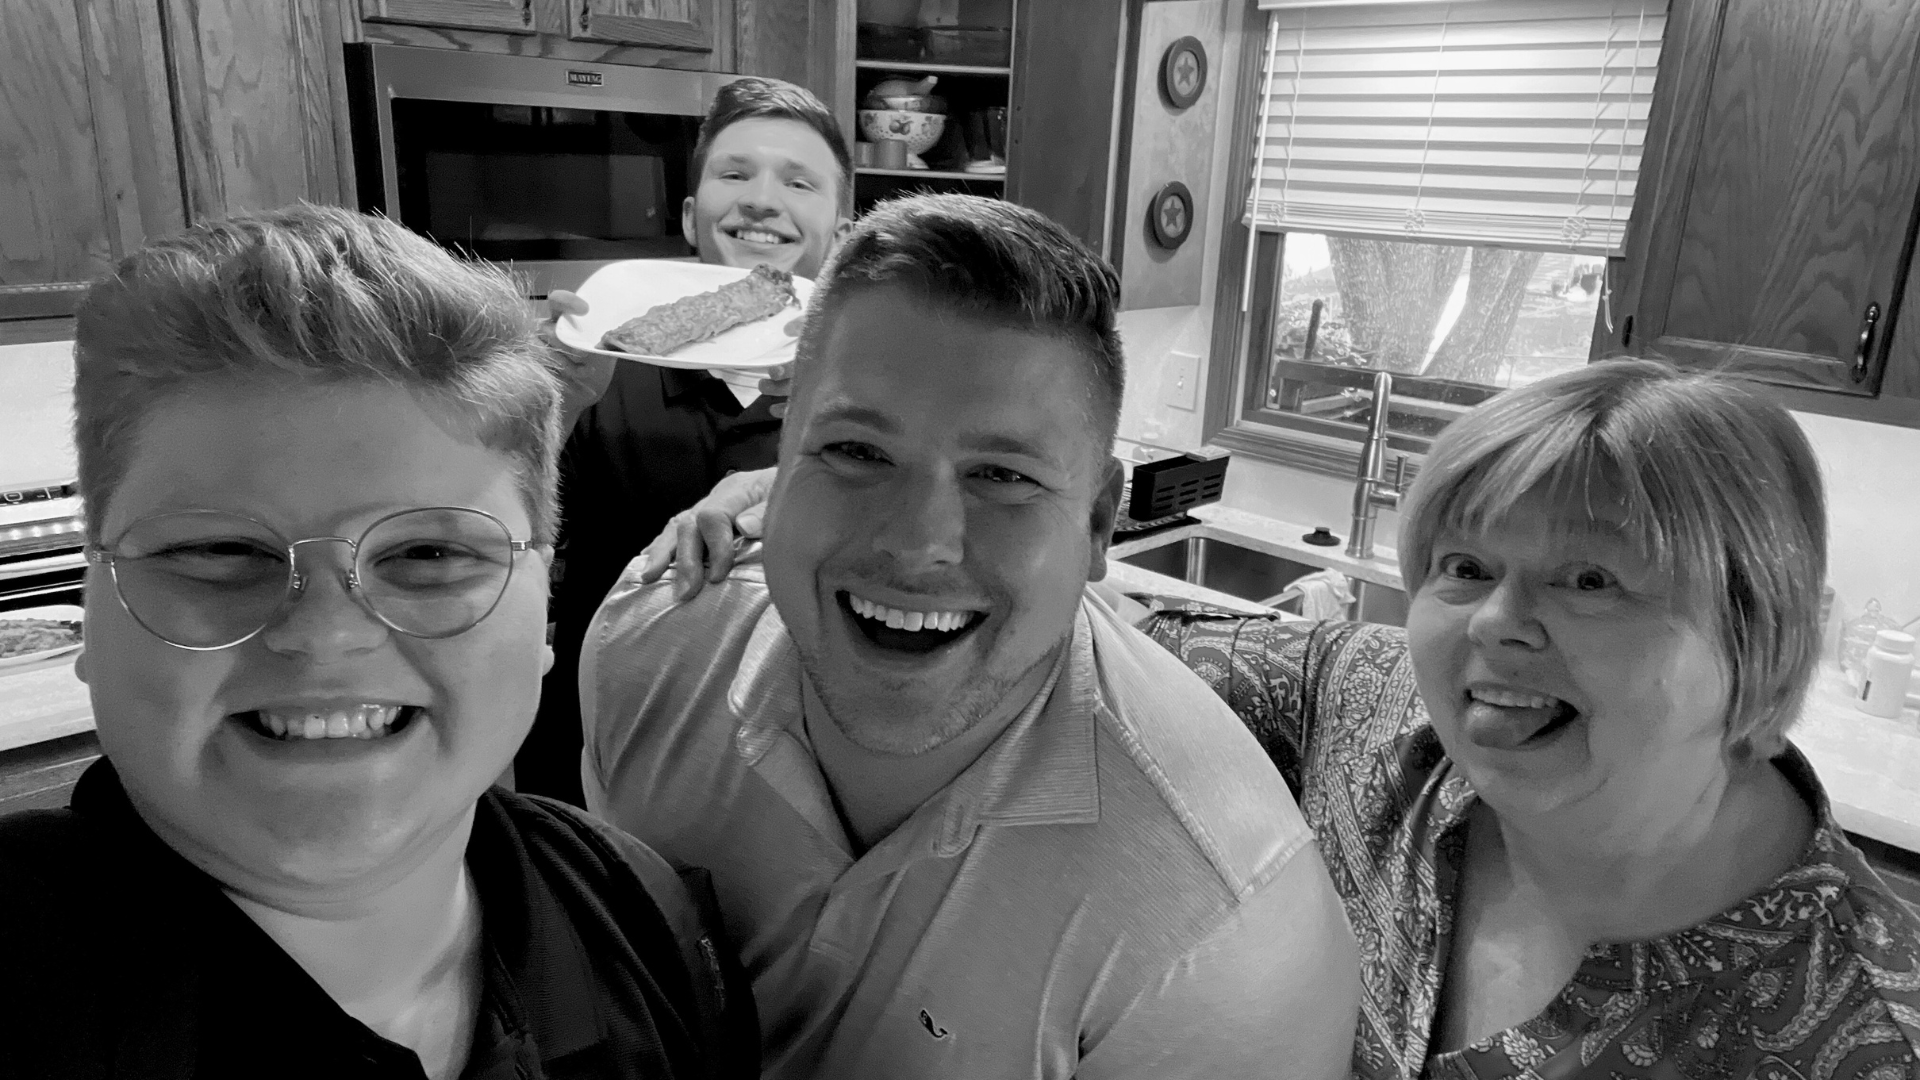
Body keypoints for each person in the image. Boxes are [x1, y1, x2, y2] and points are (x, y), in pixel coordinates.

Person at [645, 358, 1920, 1078]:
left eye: (1592, 579)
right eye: (1466, 567)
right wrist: (852, 514)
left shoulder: (1861, 1024)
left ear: (1754, 633)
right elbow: (1103, 631)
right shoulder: (1377, 717)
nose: (1496, 627)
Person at [579, 193, 1360, 1078]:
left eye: (1002, 475)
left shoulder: (1219, 941)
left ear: (1100, 522)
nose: (917, 543)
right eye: (856, 452)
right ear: (776, 458)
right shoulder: (649, 650)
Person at [0, 205, 756, 1080]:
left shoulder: (643, 923)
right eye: (218, 552)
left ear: (543, 604)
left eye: (428, 554)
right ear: (90, 599)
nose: (326, 638)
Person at [517, 75, 854, 804]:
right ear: (692, 215)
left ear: (843, 227)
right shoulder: (603, 364)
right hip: (594, 757)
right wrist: (559, 401)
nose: (762, 198)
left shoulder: (872, 402)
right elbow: (510, 540)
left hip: (785, 775)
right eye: (736, 174)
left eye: (799, 182)